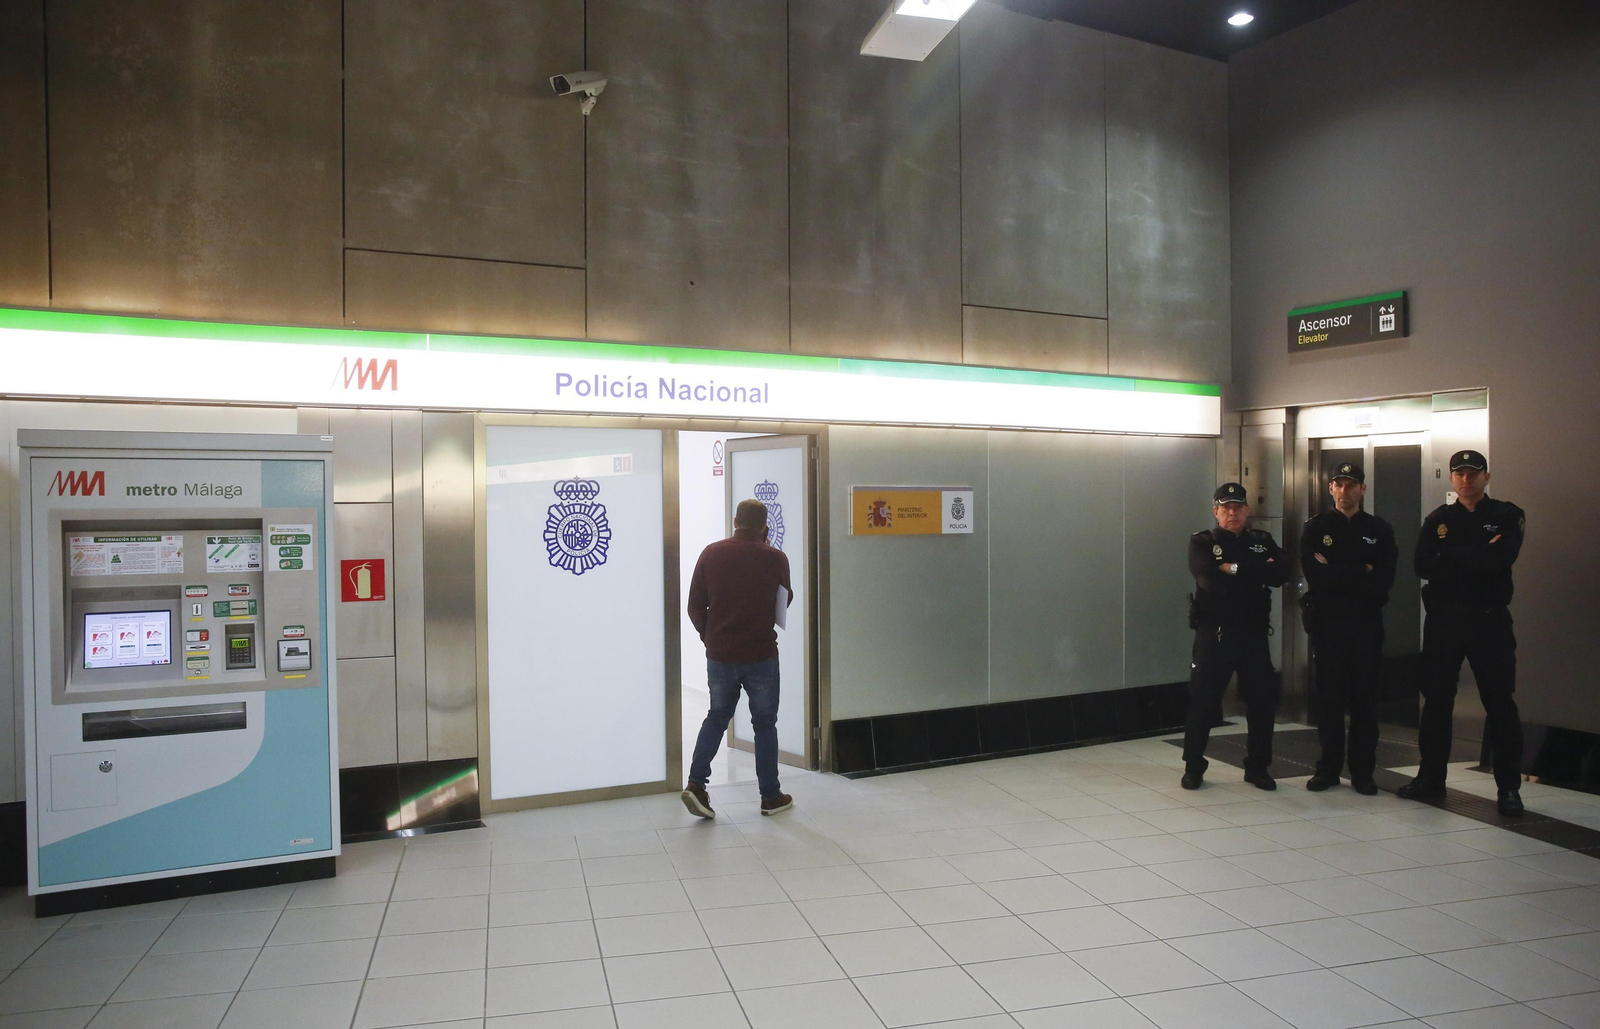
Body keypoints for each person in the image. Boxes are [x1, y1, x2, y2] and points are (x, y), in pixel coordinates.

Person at [1400, 450, 1528, 816]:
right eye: (1460, 474)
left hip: (1489, 622)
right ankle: (1430, 779)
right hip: (1444, 622)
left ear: (1486, 477)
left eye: (1474, 473)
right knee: (1437, 701)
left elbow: (1501, 557)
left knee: (1500, 703)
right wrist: (1475, 555)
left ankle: (1508, 789)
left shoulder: (1507, 514)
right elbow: (1422, 565)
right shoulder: (1437, 519)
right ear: (1452, 479)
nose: (1466, 480)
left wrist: (1451, 557)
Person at [683, 498, 794, 819]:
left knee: (716, 717)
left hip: (721, 655)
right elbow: (784, 603)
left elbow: (694, 605)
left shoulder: (711, 553)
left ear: (735, 521)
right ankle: (770, 796)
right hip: (761, 654)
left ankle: (696, 784)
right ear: (764, 525)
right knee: (764, 725)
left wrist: (711, 637)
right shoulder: (775, 557)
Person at [1181, 483, 1289, 791]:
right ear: (1215, 510)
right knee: (1203, 701)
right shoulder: (1203, 541)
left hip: (1253, 634)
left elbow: (1281, 573)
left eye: (1238, 507)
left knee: (1261, 702)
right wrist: (1254, 572)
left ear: (1246, 510)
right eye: (1226, 507)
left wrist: (1233, 568)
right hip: (1214, 633)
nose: (1232, 512)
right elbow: (1209, 579)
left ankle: (1257, 767)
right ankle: (1194, 766)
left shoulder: (1261, 540)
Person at [1300, 462, 1397, 795]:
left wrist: (1338, 570)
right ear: (1331, 489)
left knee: (1364, 703)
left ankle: (1362, 773)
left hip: (1366, 627)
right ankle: (1327, 769)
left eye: (1351, 485)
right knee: (1328, 699)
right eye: (1339, 485)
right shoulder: (1315, 528)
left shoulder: (1379, 530)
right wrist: (1360, 569)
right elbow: (1315, 575)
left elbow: (1384, 581)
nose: (1345, 490)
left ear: (1362, 489)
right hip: (1328, 626)